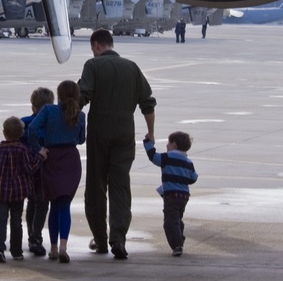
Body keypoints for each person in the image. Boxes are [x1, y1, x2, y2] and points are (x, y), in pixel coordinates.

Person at [78, 28, 156, 260]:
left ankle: (101, 240)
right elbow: (147, 103)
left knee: (96, 185)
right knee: (120, 185)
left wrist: (64, 119)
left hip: (99, 131)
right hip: (125, 131)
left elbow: (82, 96)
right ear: (111, 44)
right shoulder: (131, 67)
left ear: (96, 45)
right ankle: (118, 238)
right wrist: (151, 133)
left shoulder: (93, 65)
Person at [27, 80, 86, 263]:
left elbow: (32, 128)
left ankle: (53, 248)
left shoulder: (48, 110)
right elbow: (81, 139)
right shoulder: (80, 115)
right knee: (65, 205)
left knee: (53, 204)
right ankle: (63, 247)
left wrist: (38, 149)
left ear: (59, 95)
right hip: (70, 159)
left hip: (51, 158)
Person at [0, 116, 42, 263]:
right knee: (16, 221)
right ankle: (16, 251)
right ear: (21, 134)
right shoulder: (22, 150)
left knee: (0, 220)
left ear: (4, 133)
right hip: (18, 193)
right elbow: (30, 168)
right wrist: (40, 157)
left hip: (1, 193)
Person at [143, 131, 198, 257]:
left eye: (168, 143)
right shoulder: (188, 162)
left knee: (170, 222)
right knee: (177, 218)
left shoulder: (167, 158)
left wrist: (147, 143)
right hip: (184, 196)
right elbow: (193, 178)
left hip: (171, 196)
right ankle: (179, 238)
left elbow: (153, 156)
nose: (166, 145)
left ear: (174, 145)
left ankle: (177, 245)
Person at [20, 86, 55, 257]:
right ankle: (36, 236)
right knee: (42, 203)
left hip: (27, 169)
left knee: (32, 202)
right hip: (44, 168)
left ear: (33, 106)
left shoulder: (24, 123)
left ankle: (31, 235)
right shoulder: (51, 125)